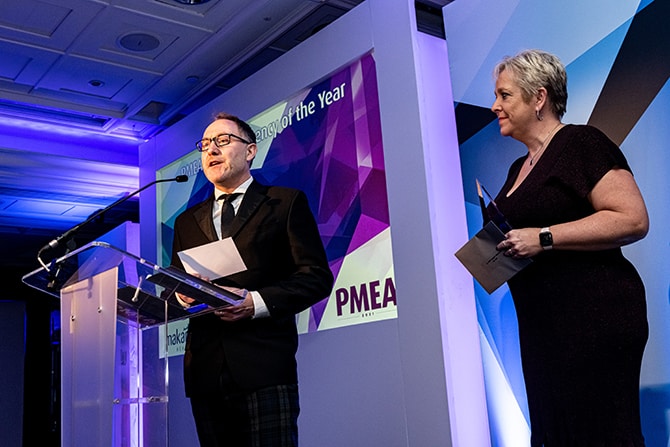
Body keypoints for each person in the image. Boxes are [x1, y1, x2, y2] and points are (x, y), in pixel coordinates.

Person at [489, 49, 649, 446]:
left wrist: (543, 237)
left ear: (538, 97)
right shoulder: (518, 168)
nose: (495, 106)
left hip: (593, 320)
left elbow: (632, 219)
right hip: (543, 329)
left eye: (505, 95)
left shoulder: (581, 143)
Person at [170, 112, 334, 446]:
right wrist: (181, 296)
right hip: (205, 371)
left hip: (264, 366)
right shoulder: (186, 221)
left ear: (250, 151)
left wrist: (254, 303)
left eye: (223, 140)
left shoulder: (284, 203)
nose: (211, 150)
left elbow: (316, 277)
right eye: (205, 144)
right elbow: (175, 283)